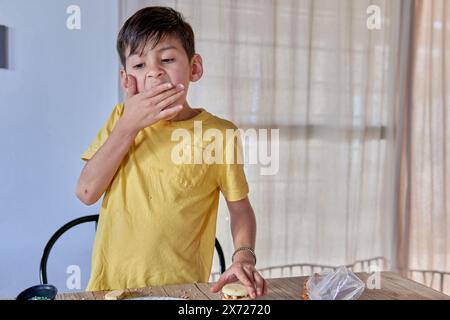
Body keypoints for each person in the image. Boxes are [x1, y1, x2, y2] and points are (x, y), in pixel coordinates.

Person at [76, 6, 266, 299]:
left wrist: (243, 257)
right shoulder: (120, 120)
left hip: (182, 291)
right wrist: (128, 126)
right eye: (139, 66)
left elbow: (240, 210)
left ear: (194, 68)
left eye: (166, 59)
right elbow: (86, 192)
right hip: (111, 288)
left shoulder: (219, 134)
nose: (153, 71)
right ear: (127, 80)